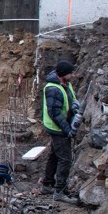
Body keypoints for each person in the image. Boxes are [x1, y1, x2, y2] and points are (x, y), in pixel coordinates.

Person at [41, 60, 81, 205]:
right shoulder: (53, 89)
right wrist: (67, 130)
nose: (73, 75)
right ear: (64, 74)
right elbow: (55, 113)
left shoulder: (65, 84)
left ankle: (47, 184)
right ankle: (59, 191)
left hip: (61, 126)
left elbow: (70, 100)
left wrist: (75, 105)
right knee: (65, 159)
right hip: (57, 128)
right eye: (71, 73)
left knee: (54, 155)